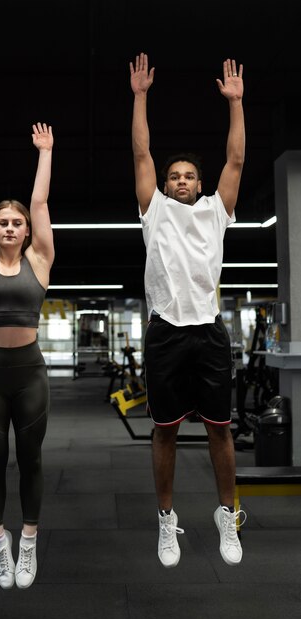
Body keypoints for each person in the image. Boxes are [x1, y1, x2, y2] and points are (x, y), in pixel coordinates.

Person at [130, 53, 246, 568]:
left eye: (188, 175)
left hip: (209, 331)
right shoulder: (153, 212)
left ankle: (227, 514)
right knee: (166, 430)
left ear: (199, 184)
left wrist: (236, 105)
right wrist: (140, 96)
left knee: (220, 428)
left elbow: (237, 162)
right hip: (165, 333)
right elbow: (140, 154)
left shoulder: (215, 211)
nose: (179, 180)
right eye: (173, 175)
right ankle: (166, 521)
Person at [0, 115, 54, 589]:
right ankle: (0, 543)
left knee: (32, 459)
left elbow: (39, 201)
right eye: (4, 223)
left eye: (17, 223)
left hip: (31, 374)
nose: (11, 227)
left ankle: (29, 542)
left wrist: (45, 154)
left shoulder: (40, 260)